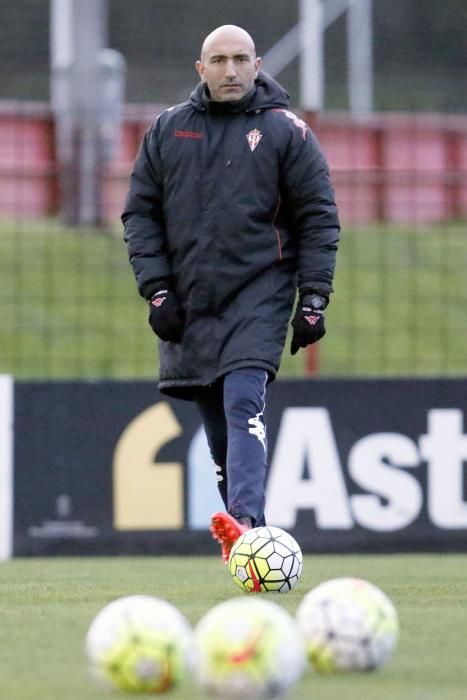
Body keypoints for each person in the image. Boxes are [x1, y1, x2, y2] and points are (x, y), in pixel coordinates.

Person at [122, 25, 340, 562]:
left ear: (258, 64)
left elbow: (318, 217)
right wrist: (156, 292)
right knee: (217, 425)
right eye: (218, 60)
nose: (231, 70)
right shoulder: (168, 131)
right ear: (201, 69)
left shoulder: (287, 131)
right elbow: (139, 214)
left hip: (260, 292)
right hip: (190, 299)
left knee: (244, 401)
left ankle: (242, 518)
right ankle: (252, 541)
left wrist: (313, 297)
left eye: (241, 59)